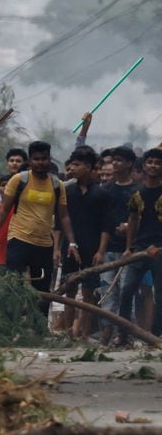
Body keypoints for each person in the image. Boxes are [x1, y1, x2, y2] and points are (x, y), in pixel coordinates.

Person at [0, 141, 81, 311]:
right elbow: (4, 210)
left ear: (49, 159)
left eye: (44, 159)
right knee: (13, 286)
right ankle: (10, 327)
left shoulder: (57, 185)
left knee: (42, 291)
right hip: (18, 240)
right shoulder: (19, 180)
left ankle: (39, 332)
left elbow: (64, 216)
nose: (40, 163)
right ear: (30, 161)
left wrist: (72, 243)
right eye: (36, 159)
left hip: (44, 244)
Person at [56, 146, 106, 339]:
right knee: (69, 290)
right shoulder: (67, 191)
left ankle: (84, 335)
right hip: (69, 247)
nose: (73, 168)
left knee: (88, 293)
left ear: (88, 166)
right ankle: (69, 334)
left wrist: (101, 251)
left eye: (77, 165)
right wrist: (58, 248)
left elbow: (106, 226)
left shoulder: (101, 194)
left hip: (92, 248)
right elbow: (60, 221)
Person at [117, 148, 162, 344]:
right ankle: (123, 334)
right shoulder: (137, 192)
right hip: (140, 248)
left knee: (159, 294)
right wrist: (129, 247)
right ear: (143, 166)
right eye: (150, 162)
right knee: (127, 290)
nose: (153, 166)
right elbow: (133, 220)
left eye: (158, 163)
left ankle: (155, 336)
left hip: (160, 249)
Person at [97, 146, 139, 344]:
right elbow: (103, 222)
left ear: (130, 163)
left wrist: (130, 228)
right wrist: (101, 250)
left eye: (119, 160)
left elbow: (143, 219)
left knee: (126, 291)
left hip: (130, 250)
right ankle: (106, 332)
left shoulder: (137, 190)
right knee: (106, 291)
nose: (115, 164)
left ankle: (125, 333)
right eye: (113, 160)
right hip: (109, 248)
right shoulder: (105, 190)